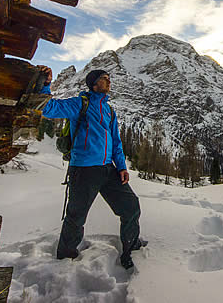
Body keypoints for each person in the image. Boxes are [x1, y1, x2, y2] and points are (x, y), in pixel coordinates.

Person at [37, 66, 143, 269]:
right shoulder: (80, 104)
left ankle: (132, 247)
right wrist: (45, 86)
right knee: (76, 216)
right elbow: (49, 108)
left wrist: (121, 167)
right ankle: (65, 257)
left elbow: (115, 141)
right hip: (84, 169)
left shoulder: (109, 111)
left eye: (109, 78)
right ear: (94, 84)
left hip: (108, 169)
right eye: (104, 78)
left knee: (131, 207)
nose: (109, 81)